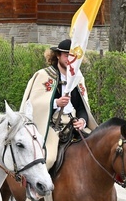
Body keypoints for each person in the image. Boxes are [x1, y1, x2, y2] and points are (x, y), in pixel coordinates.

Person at [20, 38, 97, 172]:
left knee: (99, 148)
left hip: (72, 124)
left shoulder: (78, 78)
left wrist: (83, 121)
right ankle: (38, 190)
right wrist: (56, 102)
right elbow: (32, 103)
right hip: (51, 126)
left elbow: (82, 107)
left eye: (73, 56)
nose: (70, 59)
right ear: (58, 55)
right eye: (67, 55)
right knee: (49, 159)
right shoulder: (44, 75)